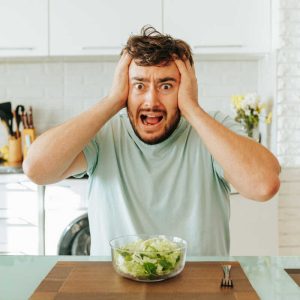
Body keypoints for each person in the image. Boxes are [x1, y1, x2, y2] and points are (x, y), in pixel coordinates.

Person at [23, 26, 281, 256]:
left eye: (166, 86)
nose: (151, 101)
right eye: (139, 85)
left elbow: (264, 185)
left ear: (185, 87)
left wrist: (192, 108)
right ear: (125, 88)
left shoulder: (212, 129)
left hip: (201, 288)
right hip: (115, 288)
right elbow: (36, 169)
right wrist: (112, 101)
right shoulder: (104, 134)